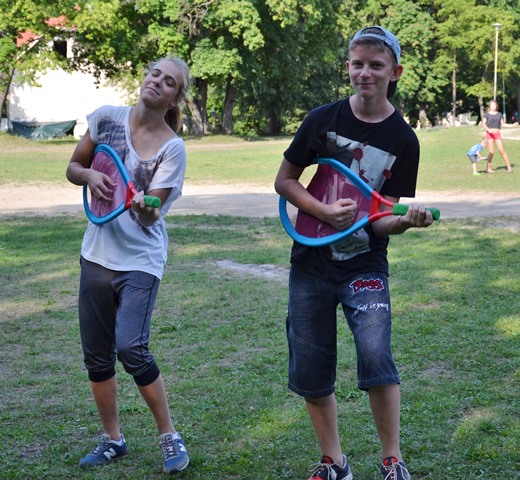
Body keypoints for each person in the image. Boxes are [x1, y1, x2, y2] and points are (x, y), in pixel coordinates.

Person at [274, 26, 436, 480]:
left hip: (365, 264)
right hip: (310, 263)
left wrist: (405, 221)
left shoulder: (404, 140)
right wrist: (322, 211)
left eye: (376, 65)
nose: (365, 72)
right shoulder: (321, 119)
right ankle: (335, 462)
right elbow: (284, 181)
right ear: (347, 66)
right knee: (311, 364)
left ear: (394, 72)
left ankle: (392, 460)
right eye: (357, 64)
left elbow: (381, 218)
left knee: (376, 356)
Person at [65, 56, 190, 474]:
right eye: (155, 74)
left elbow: (153, 214)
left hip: (140, 259)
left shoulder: (172, 148)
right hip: (96, 254)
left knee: (131, 347)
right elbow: (74, 166)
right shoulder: (105, 119)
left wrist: (144, 206)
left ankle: (169, 435)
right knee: (97, 356)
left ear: (174, 97)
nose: (158, 82)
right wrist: (88, 177)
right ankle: (113, 439)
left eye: (169, 82)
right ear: (144, 77)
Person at [482, 99, 513, 173]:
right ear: (489, 106)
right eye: (492, 105)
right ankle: (489, 168)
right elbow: (483, 124)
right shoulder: (486, 114)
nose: (493, 106)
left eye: (494, 105)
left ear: (496, 106)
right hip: (489, 134)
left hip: (497, 134)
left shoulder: (499, 114)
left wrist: (512, 125)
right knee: (491, 152)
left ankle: (509, 166)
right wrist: (488, 129)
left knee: (501, 150)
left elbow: (503, 124)